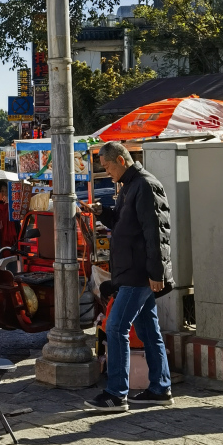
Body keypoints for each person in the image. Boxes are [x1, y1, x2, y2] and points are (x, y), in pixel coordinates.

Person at [85, 140, 173, 412]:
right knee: (149, 331)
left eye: (108, 166)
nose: (107, 172)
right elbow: (125, 225)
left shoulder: (145, 185)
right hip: (135, 271)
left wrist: (157, 272)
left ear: (121, 161)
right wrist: (103, 212)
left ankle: (116, 393)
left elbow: (156, 233)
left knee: (115, 327)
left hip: (139, 273)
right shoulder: (129, 187)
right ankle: (160, 388)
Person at [0, 181, 18, 253]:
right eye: (1, 191)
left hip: (12, 240)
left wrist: (10, 205)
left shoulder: (11, 205)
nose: (4, 194)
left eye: (6, 191)